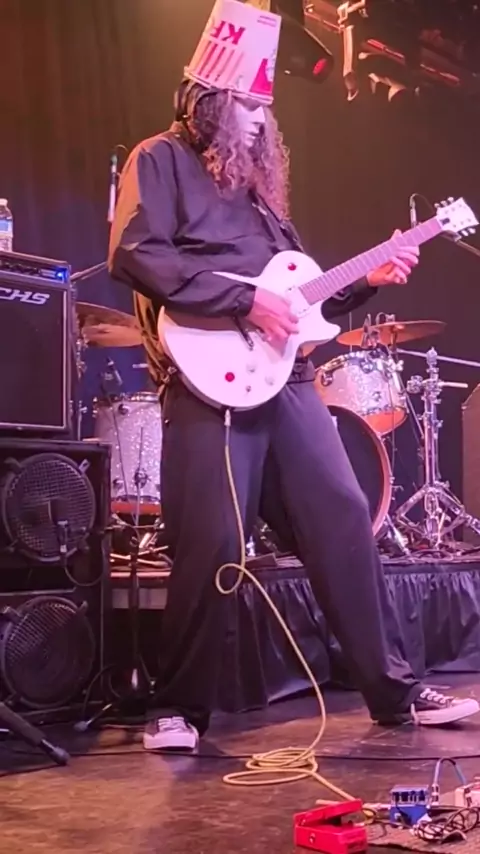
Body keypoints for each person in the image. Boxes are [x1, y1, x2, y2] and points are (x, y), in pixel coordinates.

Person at [108, 0, 479, 751]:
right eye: (248, 106)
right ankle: (177, 709)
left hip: (287, 382)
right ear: (209, 100)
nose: (259, 120)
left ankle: (396, 693)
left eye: (264, 108)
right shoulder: (159, 159)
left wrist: (368, 276)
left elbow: (302, 301)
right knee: (213, 544)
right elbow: (135, 254)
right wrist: (244, 299)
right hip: (206, 385)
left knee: (344, 518)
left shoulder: (260, 197)